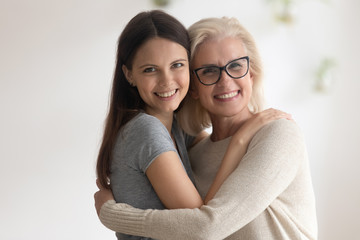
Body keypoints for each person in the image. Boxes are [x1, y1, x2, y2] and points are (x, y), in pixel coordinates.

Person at [96, 11, 291, 240]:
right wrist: (240, 140)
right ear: (129, 75)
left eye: (177, 65)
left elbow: (210, 140)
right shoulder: (146, 130)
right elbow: (201, 224)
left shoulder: (175, 129)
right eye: (150, 69)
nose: (167, 81)